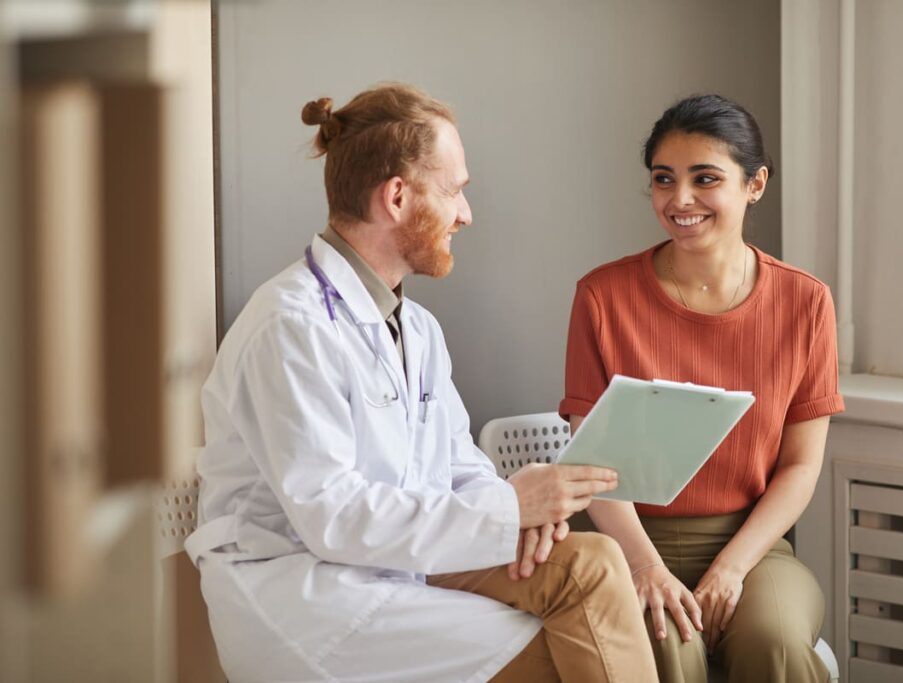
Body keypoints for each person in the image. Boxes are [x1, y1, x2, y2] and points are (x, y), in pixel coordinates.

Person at [186, 83, 659, 683]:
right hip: (306, 590)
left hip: (402, 558)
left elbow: (456, 465)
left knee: (591, 562)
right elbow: (332, 517)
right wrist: (510, 505)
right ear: (398, 197)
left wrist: (525, 517)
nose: (466, 214)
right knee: (565, 652)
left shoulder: (418, 328)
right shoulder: (291, 327)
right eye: (455, 190)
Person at [559, 94, 845, 683]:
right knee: (668, 646)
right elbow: (589, 464)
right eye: (664, 179)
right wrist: (644, 565)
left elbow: (800, 466)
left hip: (754, 544)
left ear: (755, 184)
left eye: (704, 178)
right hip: (625, 539)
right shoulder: (601, 297)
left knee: (775, 641)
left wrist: (731, 569)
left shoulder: (806, 302)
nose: (679, 199)